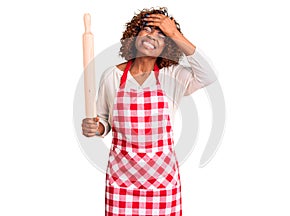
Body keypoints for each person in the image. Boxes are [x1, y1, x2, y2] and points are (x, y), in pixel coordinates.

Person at [82, 7, 216, 216]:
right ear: (134, 35)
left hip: (162, 182)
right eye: (147, 29)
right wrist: (96, 127)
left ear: (167, 46)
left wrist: (175, 33)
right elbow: (104, 121)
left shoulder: (172, 75)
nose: (152, 35)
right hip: (122, 182)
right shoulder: (112, 76)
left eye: (161, 34)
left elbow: (207, 75)